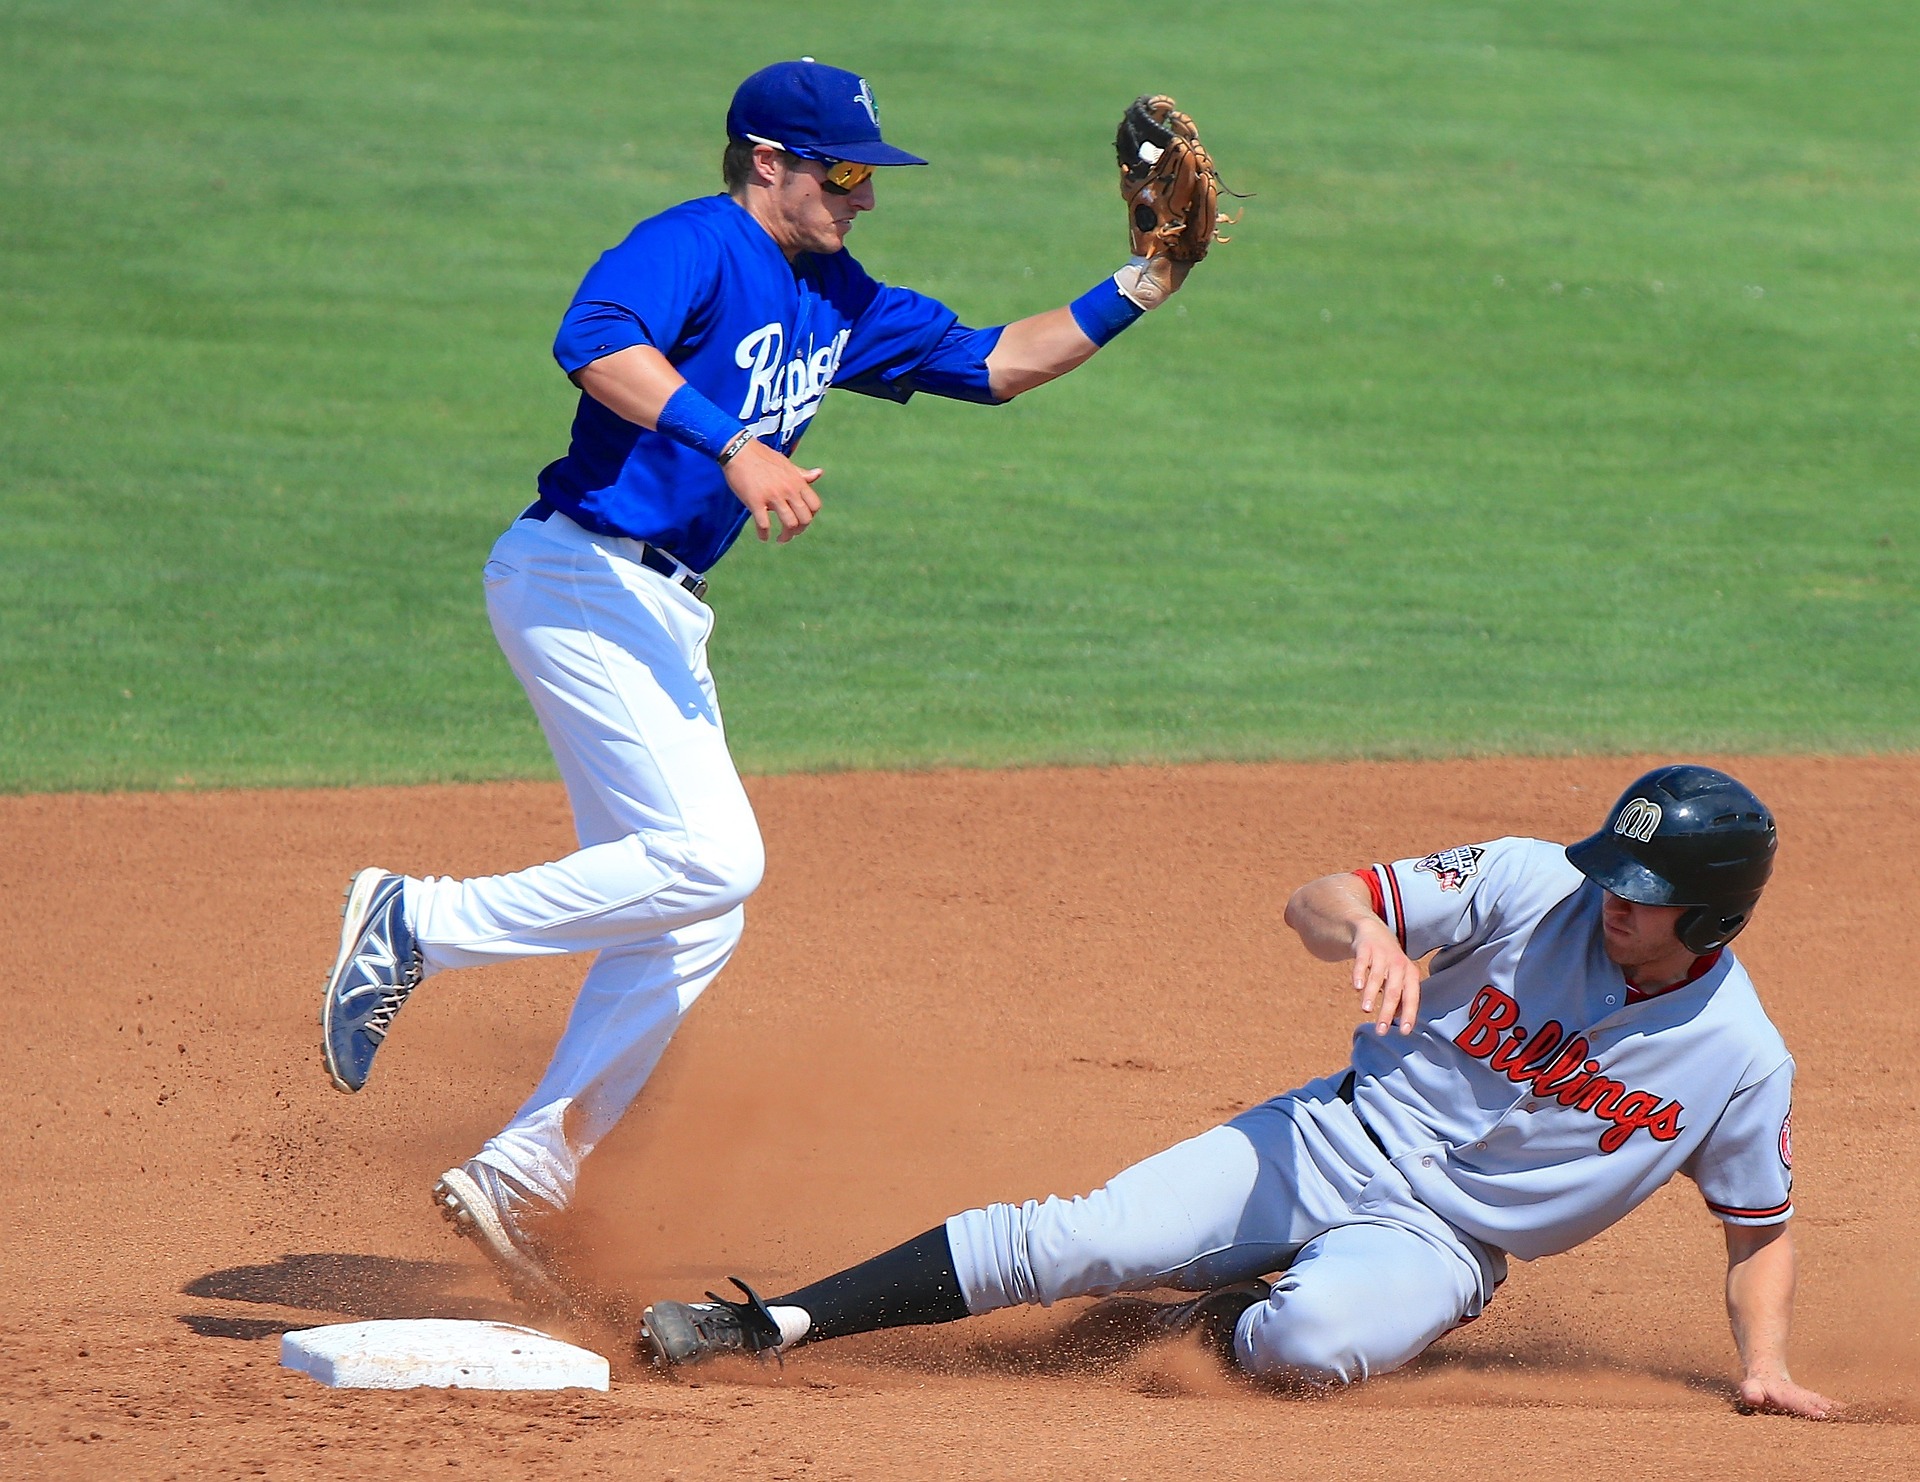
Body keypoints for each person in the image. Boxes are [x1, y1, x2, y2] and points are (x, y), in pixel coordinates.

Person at [316, 59, 1205, 1305]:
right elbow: (591, 341)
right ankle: (414, 921)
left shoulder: (836, 294)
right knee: (717, 860)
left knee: (698, 911)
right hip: (580, 575)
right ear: (768, 162)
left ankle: (520, 1173)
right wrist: (733, 444)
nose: (864, 197)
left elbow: (999, 363)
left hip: (657, 610)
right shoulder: (694, 243)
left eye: (868, 175)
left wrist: (1144, 284)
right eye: (843, 174)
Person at [637, 765, 1839, 1418]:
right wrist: (1364, 929)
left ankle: (1210, 1320)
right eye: (1610, 875)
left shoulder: (1740, 1058)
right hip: (1327, 1139)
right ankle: (769, 1322)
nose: (1611, 900)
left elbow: (1759, 1228)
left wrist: (1764, 1362)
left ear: (1717, 911)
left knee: (1310, 1346)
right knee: (1077, 1238)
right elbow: (1319, 895)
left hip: (1445, 1245)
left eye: (1642, 891)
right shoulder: (1532, 882)